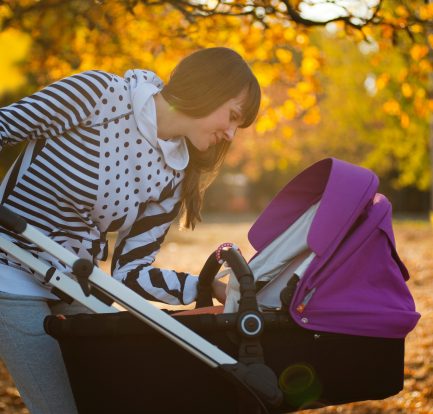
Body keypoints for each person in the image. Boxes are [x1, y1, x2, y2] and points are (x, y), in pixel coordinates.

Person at [0, 47, 261, 413]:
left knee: (110, 399)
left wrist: (208, 286)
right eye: (232, 117)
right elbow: (5, 126)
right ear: (208, 89)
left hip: (72, 281)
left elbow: (131, 275)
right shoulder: (100, 95)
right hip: (10, 267)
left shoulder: (174, 175)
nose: (232, 135)